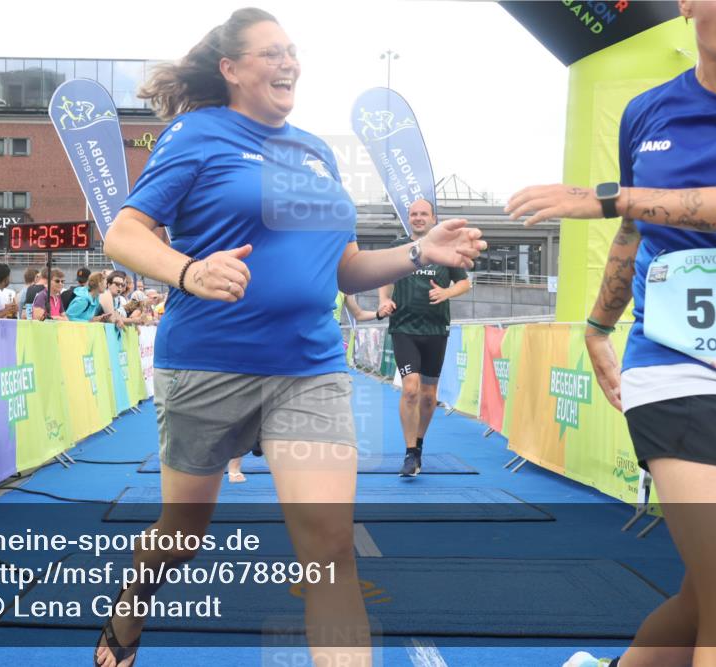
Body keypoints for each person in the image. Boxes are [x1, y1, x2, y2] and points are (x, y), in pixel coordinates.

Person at [95, 8, 486, 667]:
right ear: (231, 69)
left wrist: (419, 250)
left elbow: (345, 268)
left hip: (309, 366)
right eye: (271, 53)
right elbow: (123, 232)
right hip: (208, 367)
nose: (289, 63)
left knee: (330, 548)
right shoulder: (196, 133)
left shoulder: (316, 150)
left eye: (293, 52)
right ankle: (133, 602)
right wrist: (189, 270)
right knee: (182, 534)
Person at [506, 2, 716, 665]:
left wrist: (609, 197)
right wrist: (600, 326)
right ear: (686, 3)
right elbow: (634, 235)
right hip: (679, 370)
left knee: (711, 599)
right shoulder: (648, 111)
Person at [377, 199, 471, 477]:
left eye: (423, 214)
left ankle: (418, 446)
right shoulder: (398, 246)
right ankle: (408, 453)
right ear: (408, 218)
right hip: (404, 327)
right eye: (413, 214)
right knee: (410, 388)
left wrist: (447, 293)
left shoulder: (445, 249)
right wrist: (384, 300)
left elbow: (465, 283)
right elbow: (385, 276)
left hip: (435, 329)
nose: (418, 218)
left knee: (429, 396)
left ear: (433, 218)